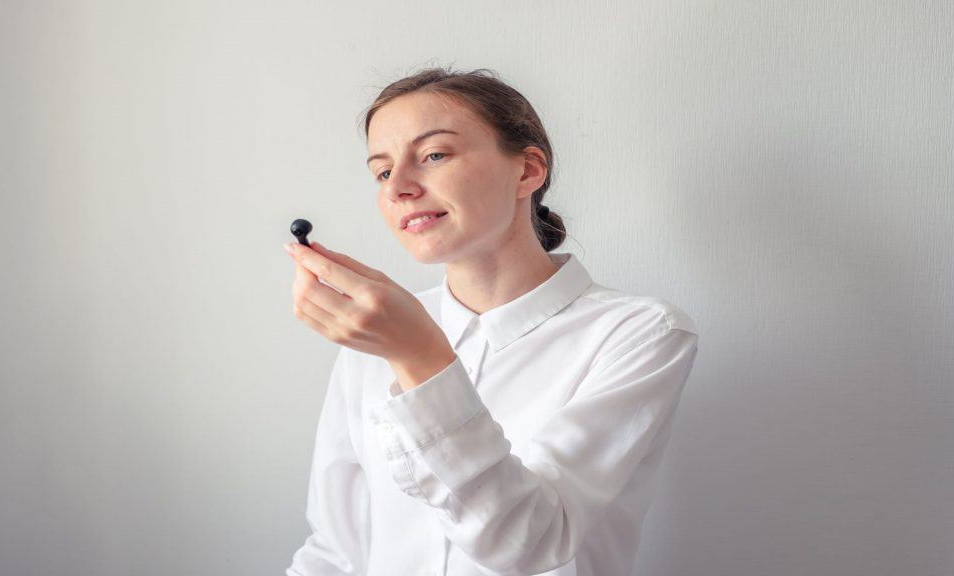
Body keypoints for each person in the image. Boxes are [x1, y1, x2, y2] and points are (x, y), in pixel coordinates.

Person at [283, 67, 699, 576]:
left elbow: (531, 545)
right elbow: (336, 551)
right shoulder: (373, 338)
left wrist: (420, 360)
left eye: (434, 154)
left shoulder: (640, 334)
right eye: (382, 171)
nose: (400, 188)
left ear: (527, 171)